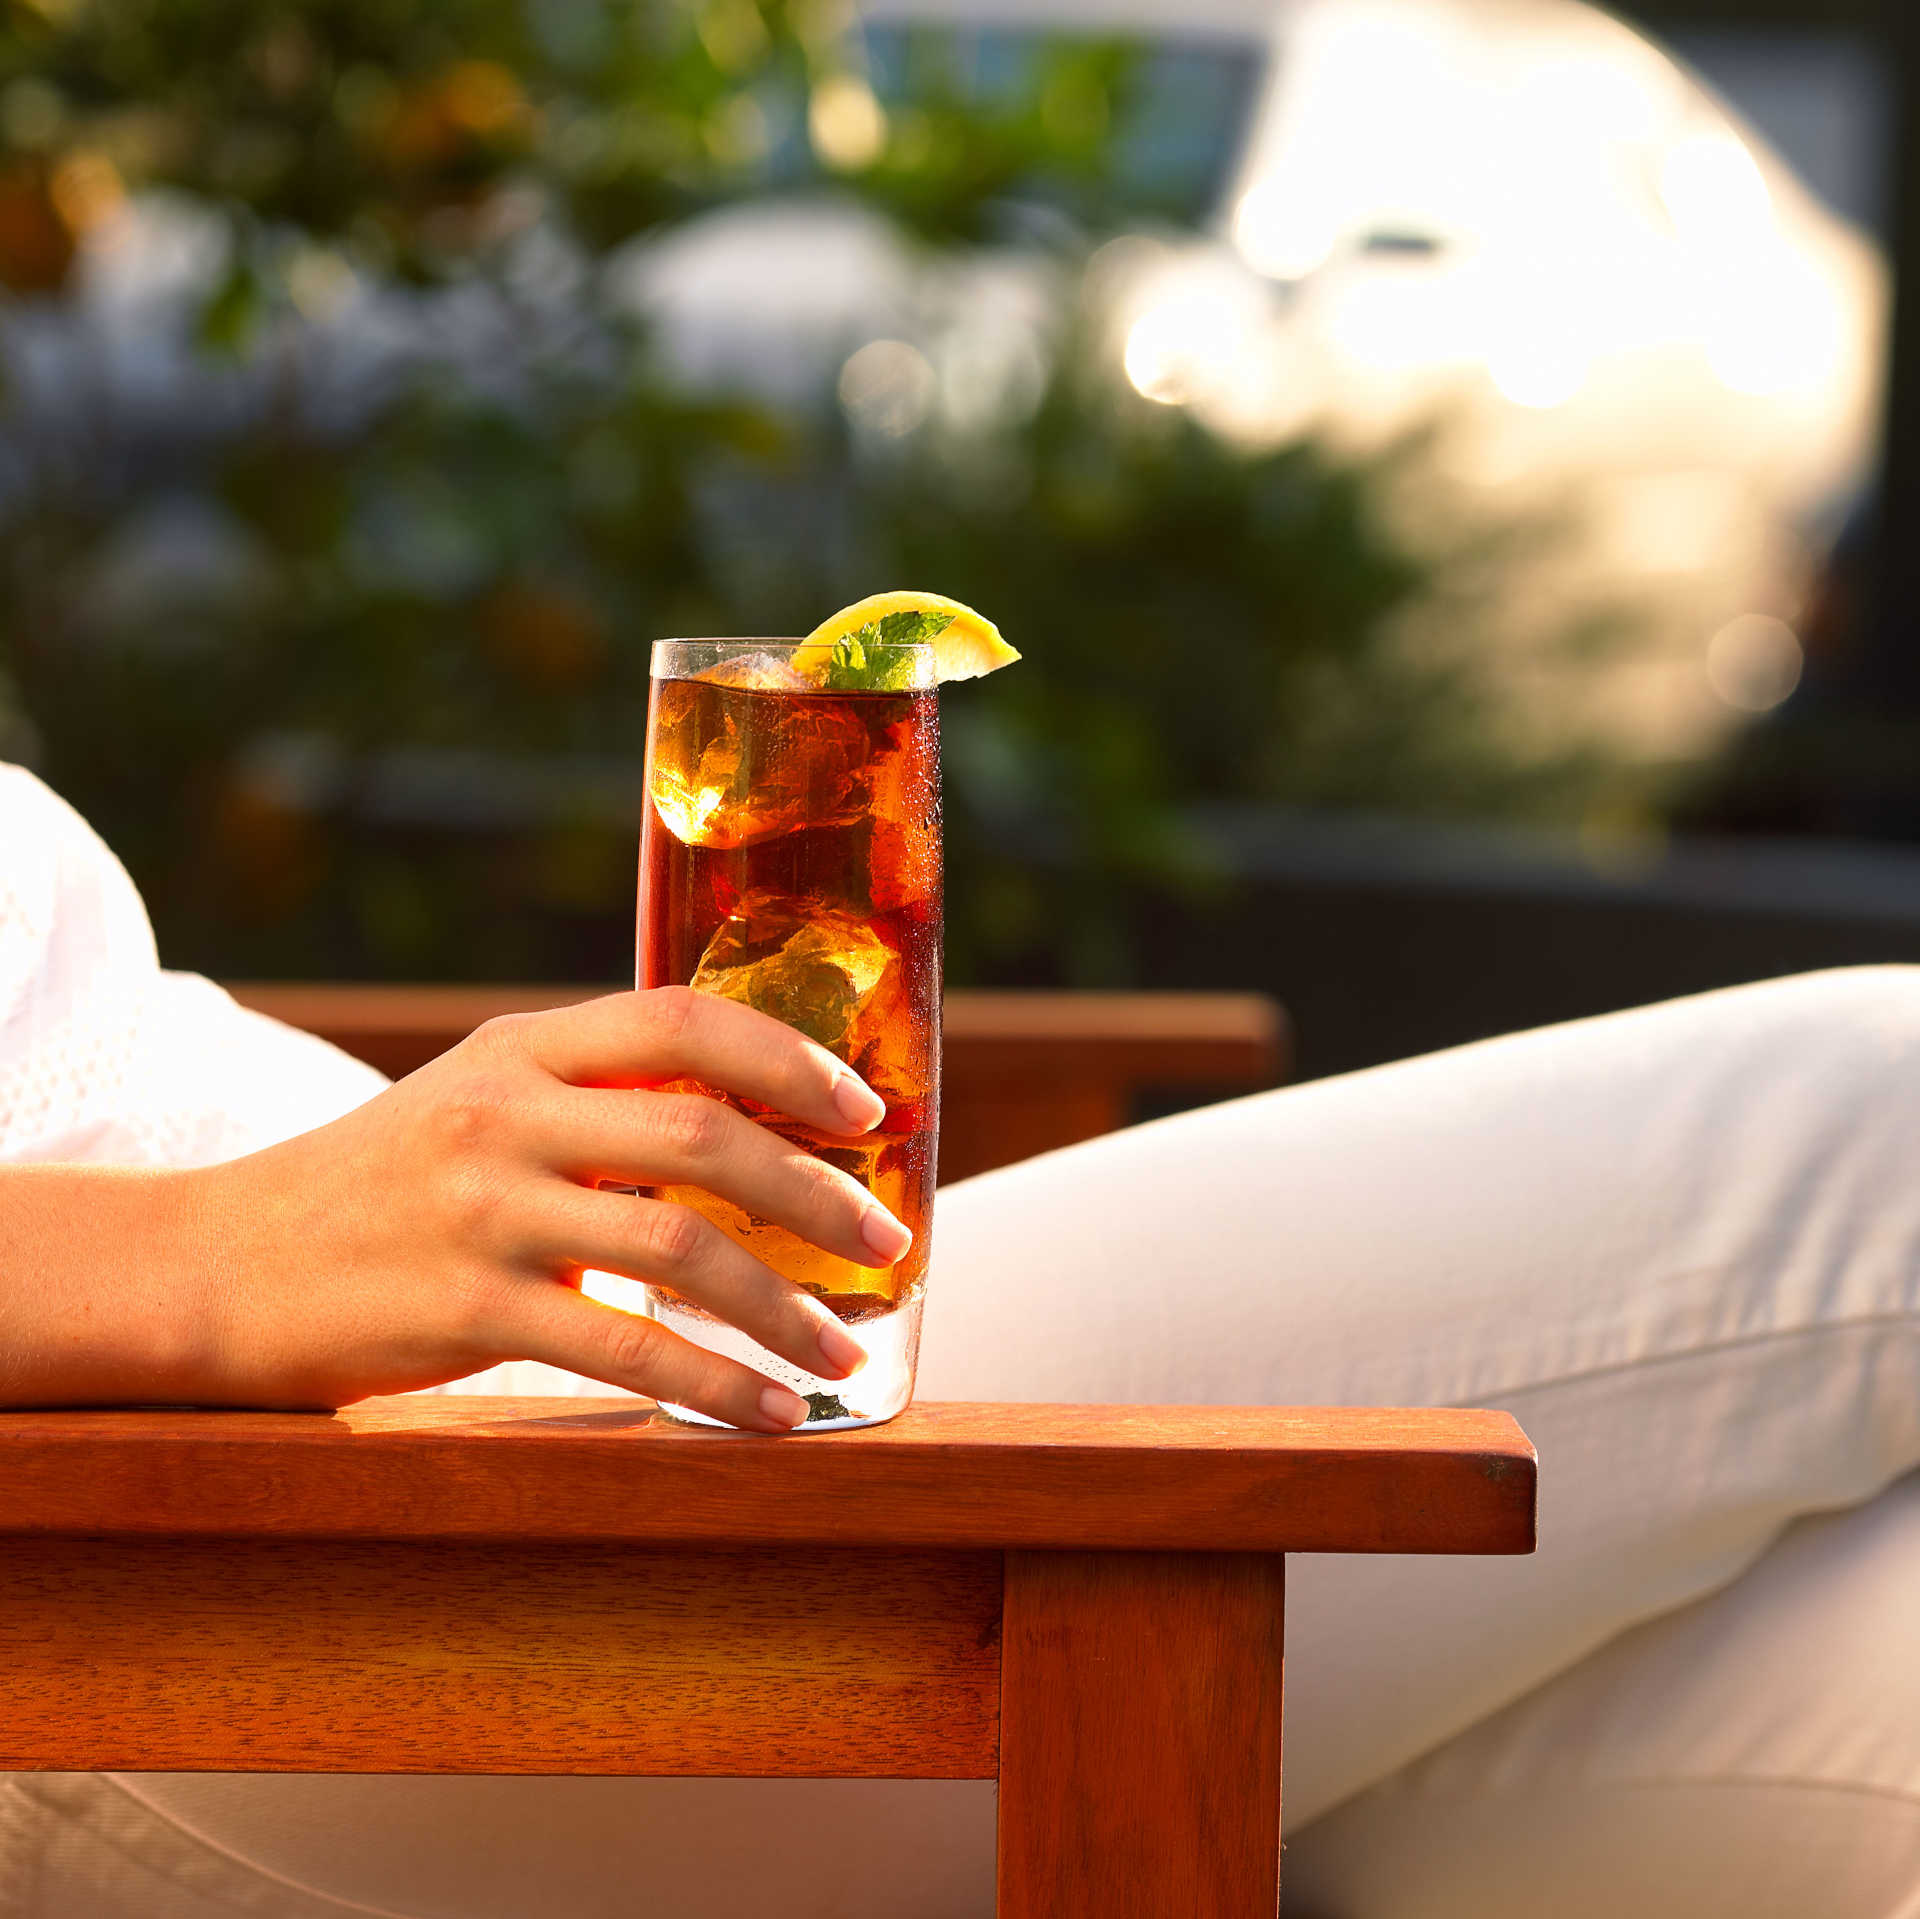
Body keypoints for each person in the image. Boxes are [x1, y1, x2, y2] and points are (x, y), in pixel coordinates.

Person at [3, 757, 1918, 1919]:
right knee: (1875, 1121)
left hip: (490, 1402)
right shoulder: (234, 1283)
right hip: (230, 1595)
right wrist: (211, 1257)